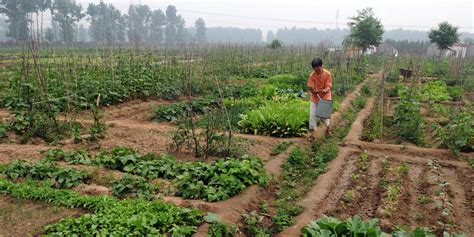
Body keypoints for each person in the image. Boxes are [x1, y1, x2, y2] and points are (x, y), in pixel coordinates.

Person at [307, 58, 332, 141]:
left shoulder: (327, 74)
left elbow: (328, 86)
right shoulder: (312, 76)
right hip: (315, 98)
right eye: (314, 68)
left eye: (317, 67)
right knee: (312, 116)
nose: (316, 69)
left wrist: (327, 89)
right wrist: (322, 90)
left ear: (321, 66)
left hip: (325, 98)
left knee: (323, 116)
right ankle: (312, 135)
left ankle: (328, 129)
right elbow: (312, 90)